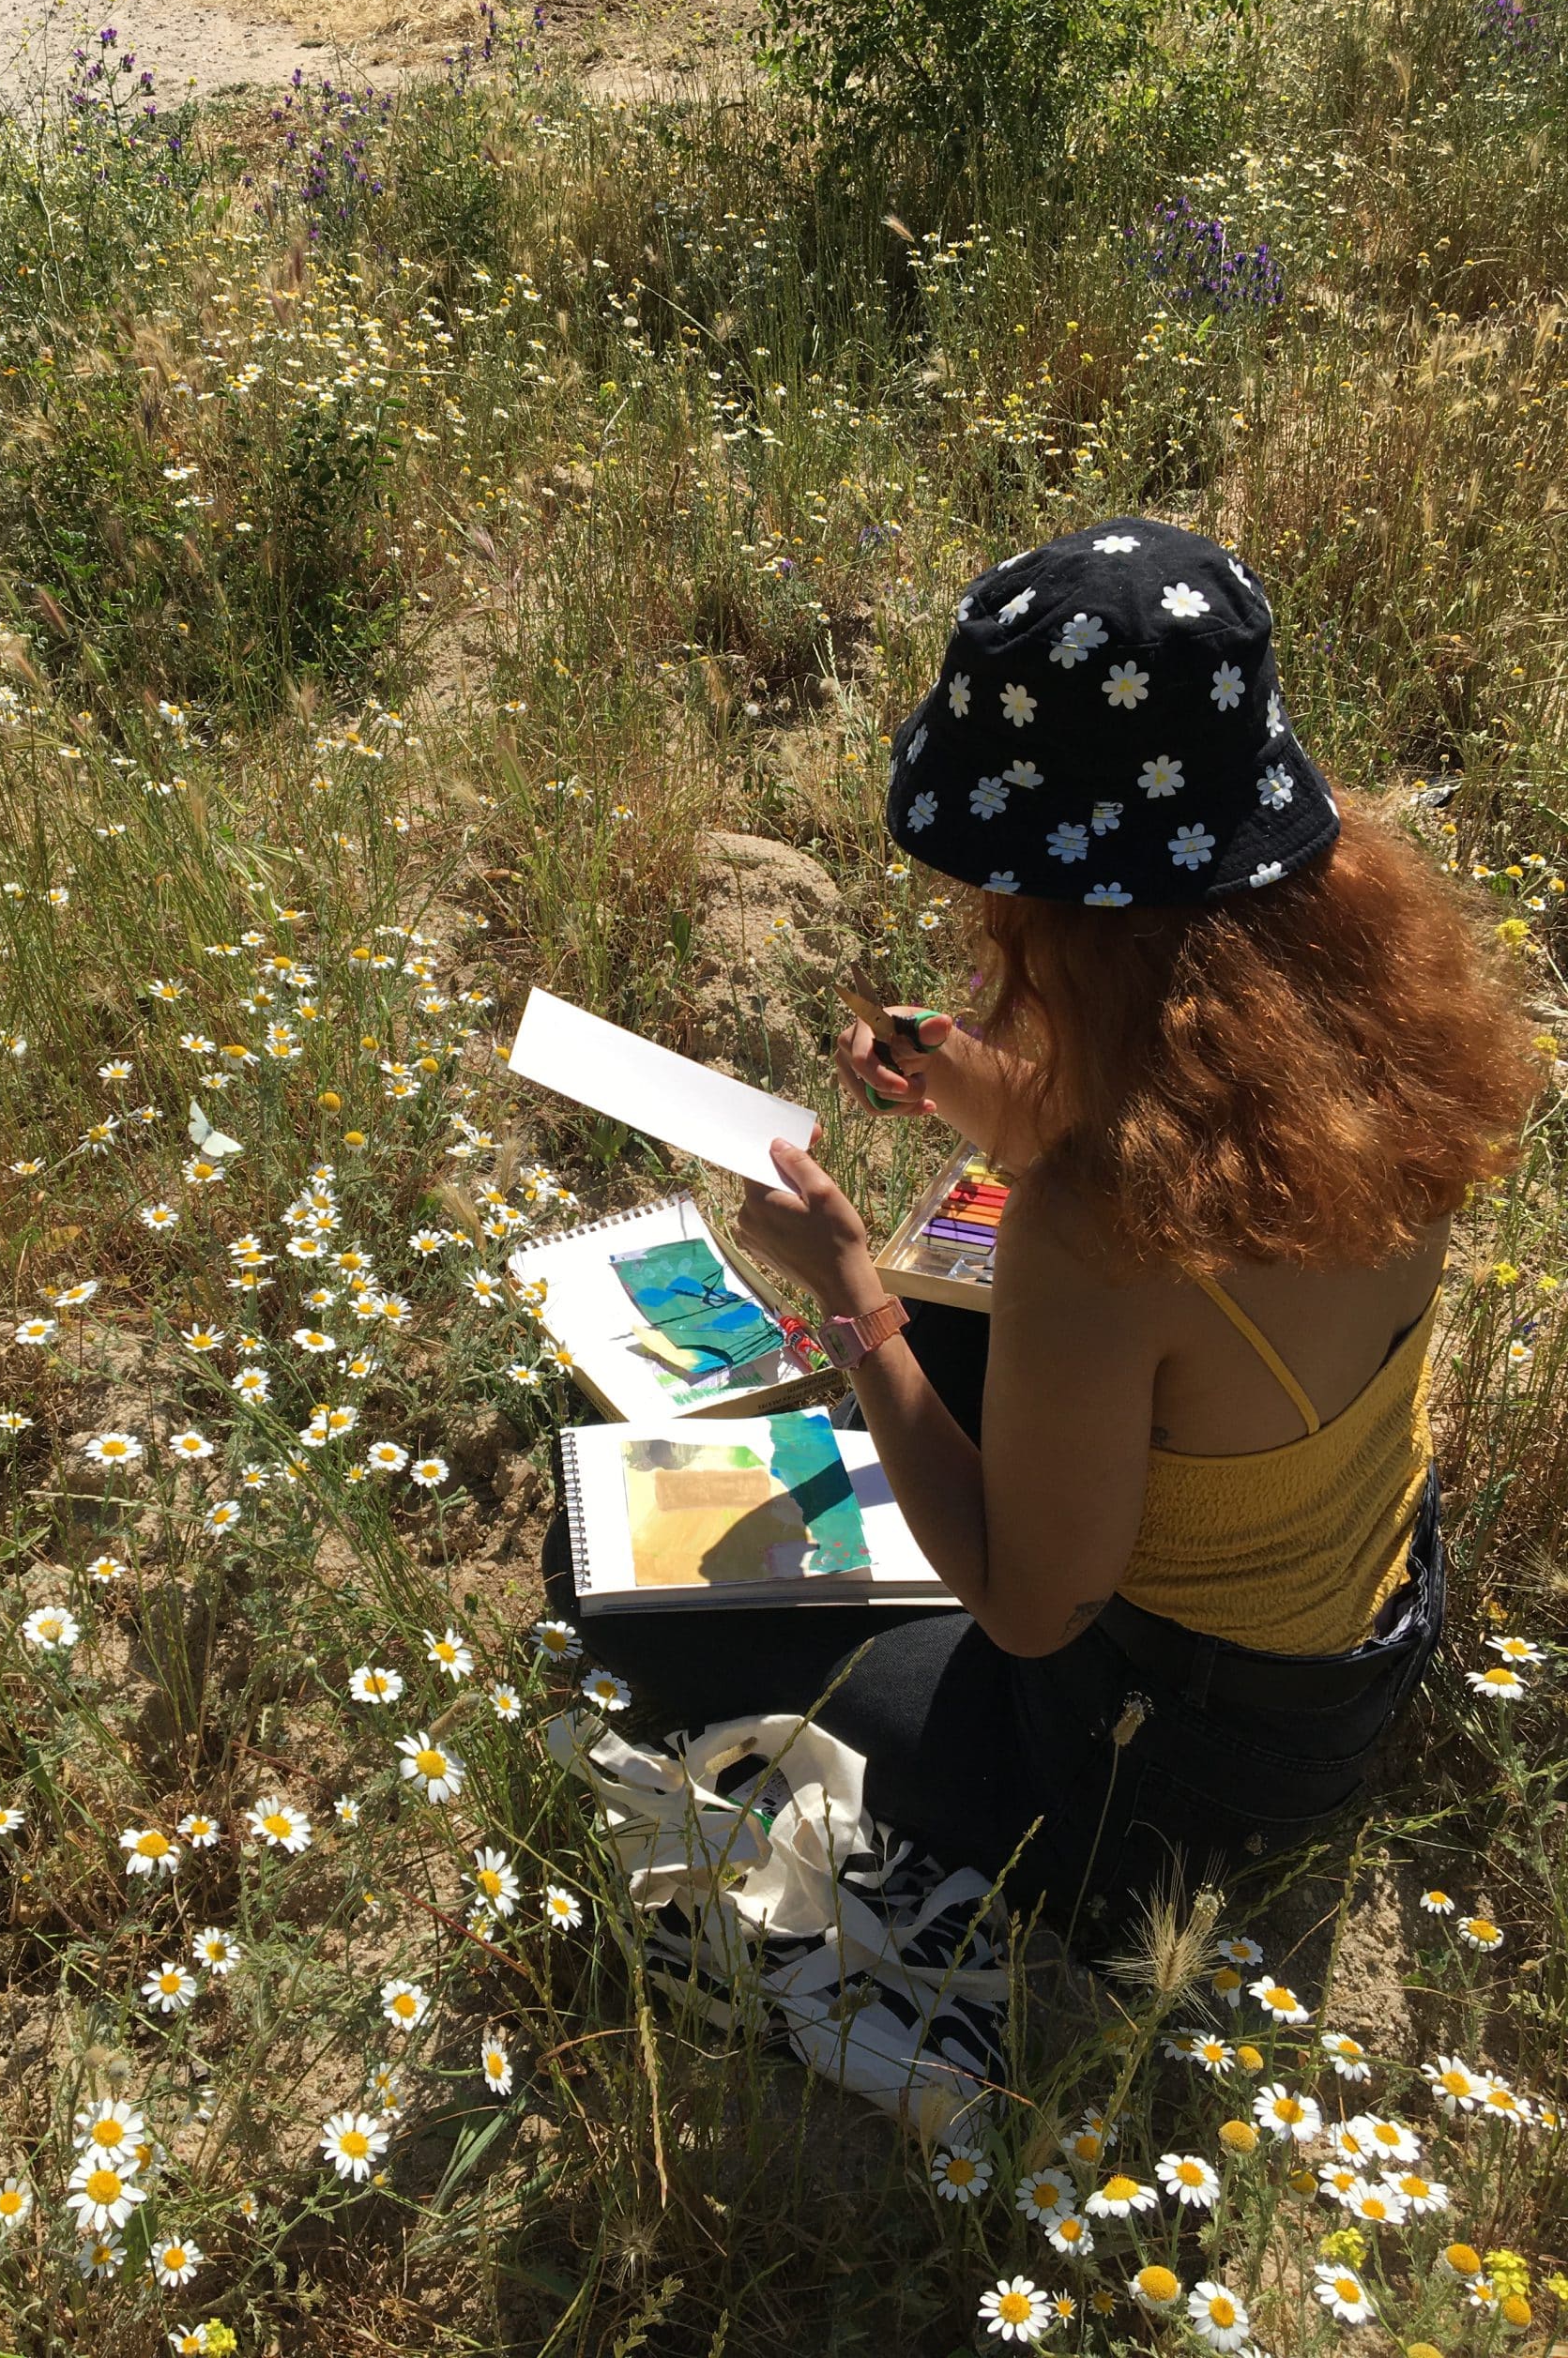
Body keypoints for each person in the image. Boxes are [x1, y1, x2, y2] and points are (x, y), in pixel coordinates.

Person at [540, 513, 1538, 1945]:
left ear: (1064, 909)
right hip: (1359, 1640)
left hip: (1166, 1778)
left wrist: (851, 1301)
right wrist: (965, 1082)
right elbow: (1201, 1168)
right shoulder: (1387, 1041)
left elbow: (1026, 1612)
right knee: (956, 1337)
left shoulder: (1094, 1232)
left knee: (607, 1582)